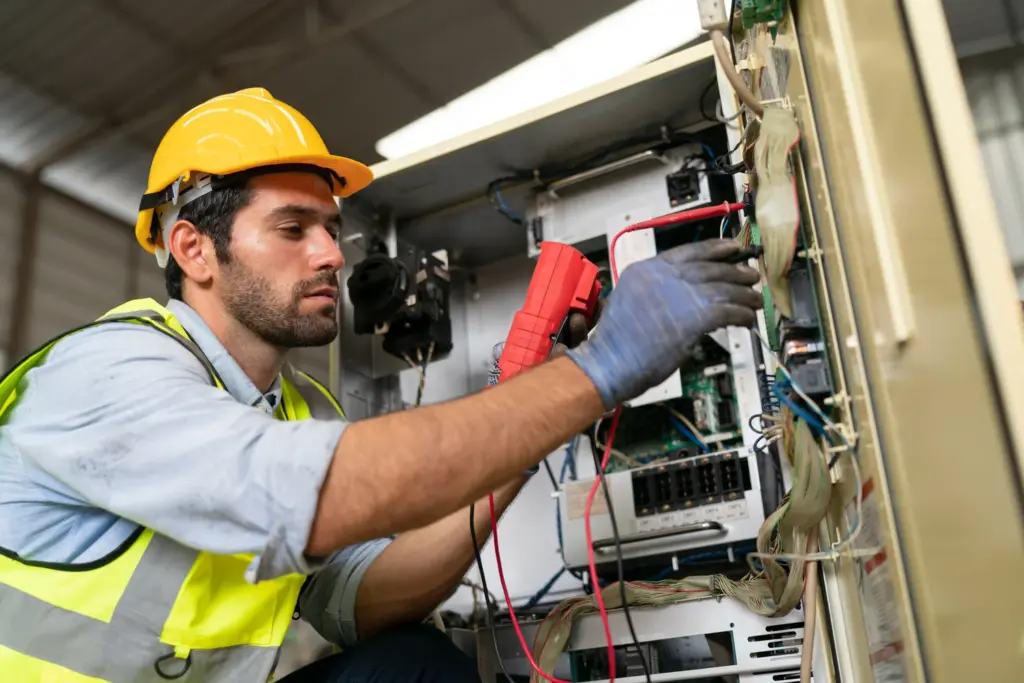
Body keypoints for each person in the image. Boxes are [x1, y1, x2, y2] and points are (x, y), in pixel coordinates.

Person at [0, 88, 762, 683]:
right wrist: (592, 373)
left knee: (410, 665)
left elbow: (363, 604)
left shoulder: (298, 407)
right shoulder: (110, 374)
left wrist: (533, 431)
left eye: (331, 228)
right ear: (194, 250)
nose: (332, 253)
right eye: (294, 229)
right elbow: (323, 489)